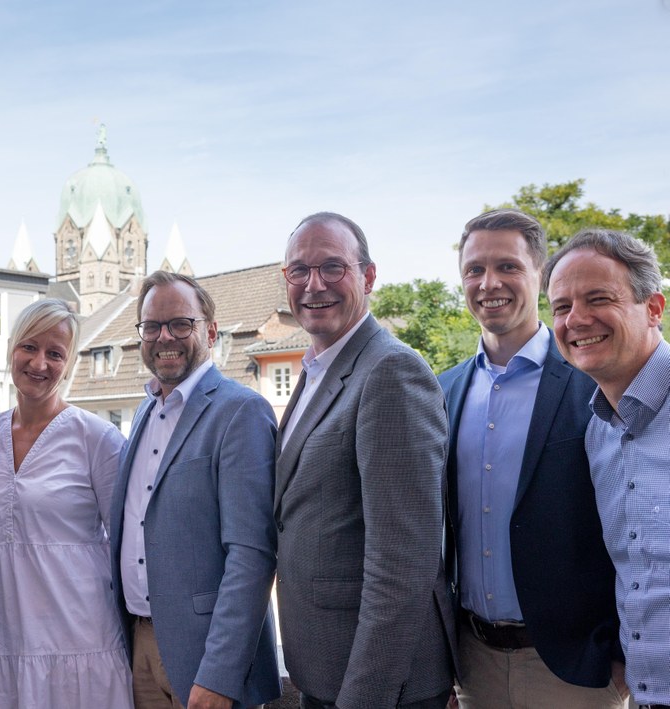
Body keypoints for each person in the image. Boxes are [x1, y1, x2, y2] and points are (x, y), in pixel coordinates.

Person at [438, 210, 624, 708]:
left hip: (575, 670)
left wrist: (623, 654)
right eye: (474, 270)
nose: (488, 283)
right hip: (473, 663)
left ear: (539, 275)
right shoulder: (442, 389)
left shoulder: (594, 379)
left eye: (508, 266)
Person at [275, 212, 455, 708]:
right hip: (325, 667)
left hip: (379, 684)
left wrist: (365, 696)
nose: (314, 285)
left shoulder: (391, 371)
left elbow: (402, 564)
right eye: (299, 271)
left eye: (333, 267)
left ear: (368, 277)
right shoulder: (316, 370)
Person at [110, 271, 280, 709]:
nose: (165, 336)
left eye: (180, 324)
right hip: (141, 646)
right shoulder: (148, 412)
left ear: (210, 331)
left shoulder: (241, 411)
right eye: (152, 326)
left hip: (206, 660)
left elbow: (252, 555)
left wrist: (221, 676)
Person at [0, 298, 133, 708]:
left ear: (69, 363)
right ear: (12, 350)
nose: (39, 363)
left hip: (81, 642)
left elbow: (129, 543)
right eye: (30, 347)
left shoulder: (97, 438)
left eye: (55, 353)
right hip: (2, 642)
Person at [544, 229, 670, 708]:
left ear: (653, 308)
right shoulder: (599, 430)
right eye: (561, 307)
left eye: (599, 298)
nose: (576, 320)